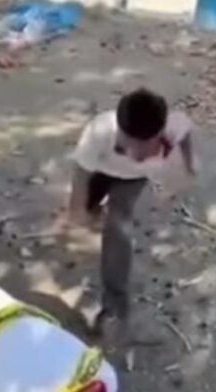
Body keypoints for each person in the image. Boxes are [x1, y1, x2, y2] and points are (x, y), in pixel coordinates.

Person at [66, 87, 196, 336]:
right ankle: (94, 212)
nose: (138, 154)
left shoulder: (172, 126)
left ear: (160, 132)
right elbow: (80, 174)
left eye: (146, 148)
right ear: (119, 130)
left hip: (132, 180)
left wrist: (190, 164)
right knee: (86, 212)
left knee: (118, 227)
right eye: (129, 145)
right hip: (100, 171)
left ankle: (115, 306)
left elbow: (186, 130)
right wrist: (77, 209)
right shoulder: (99, 132)